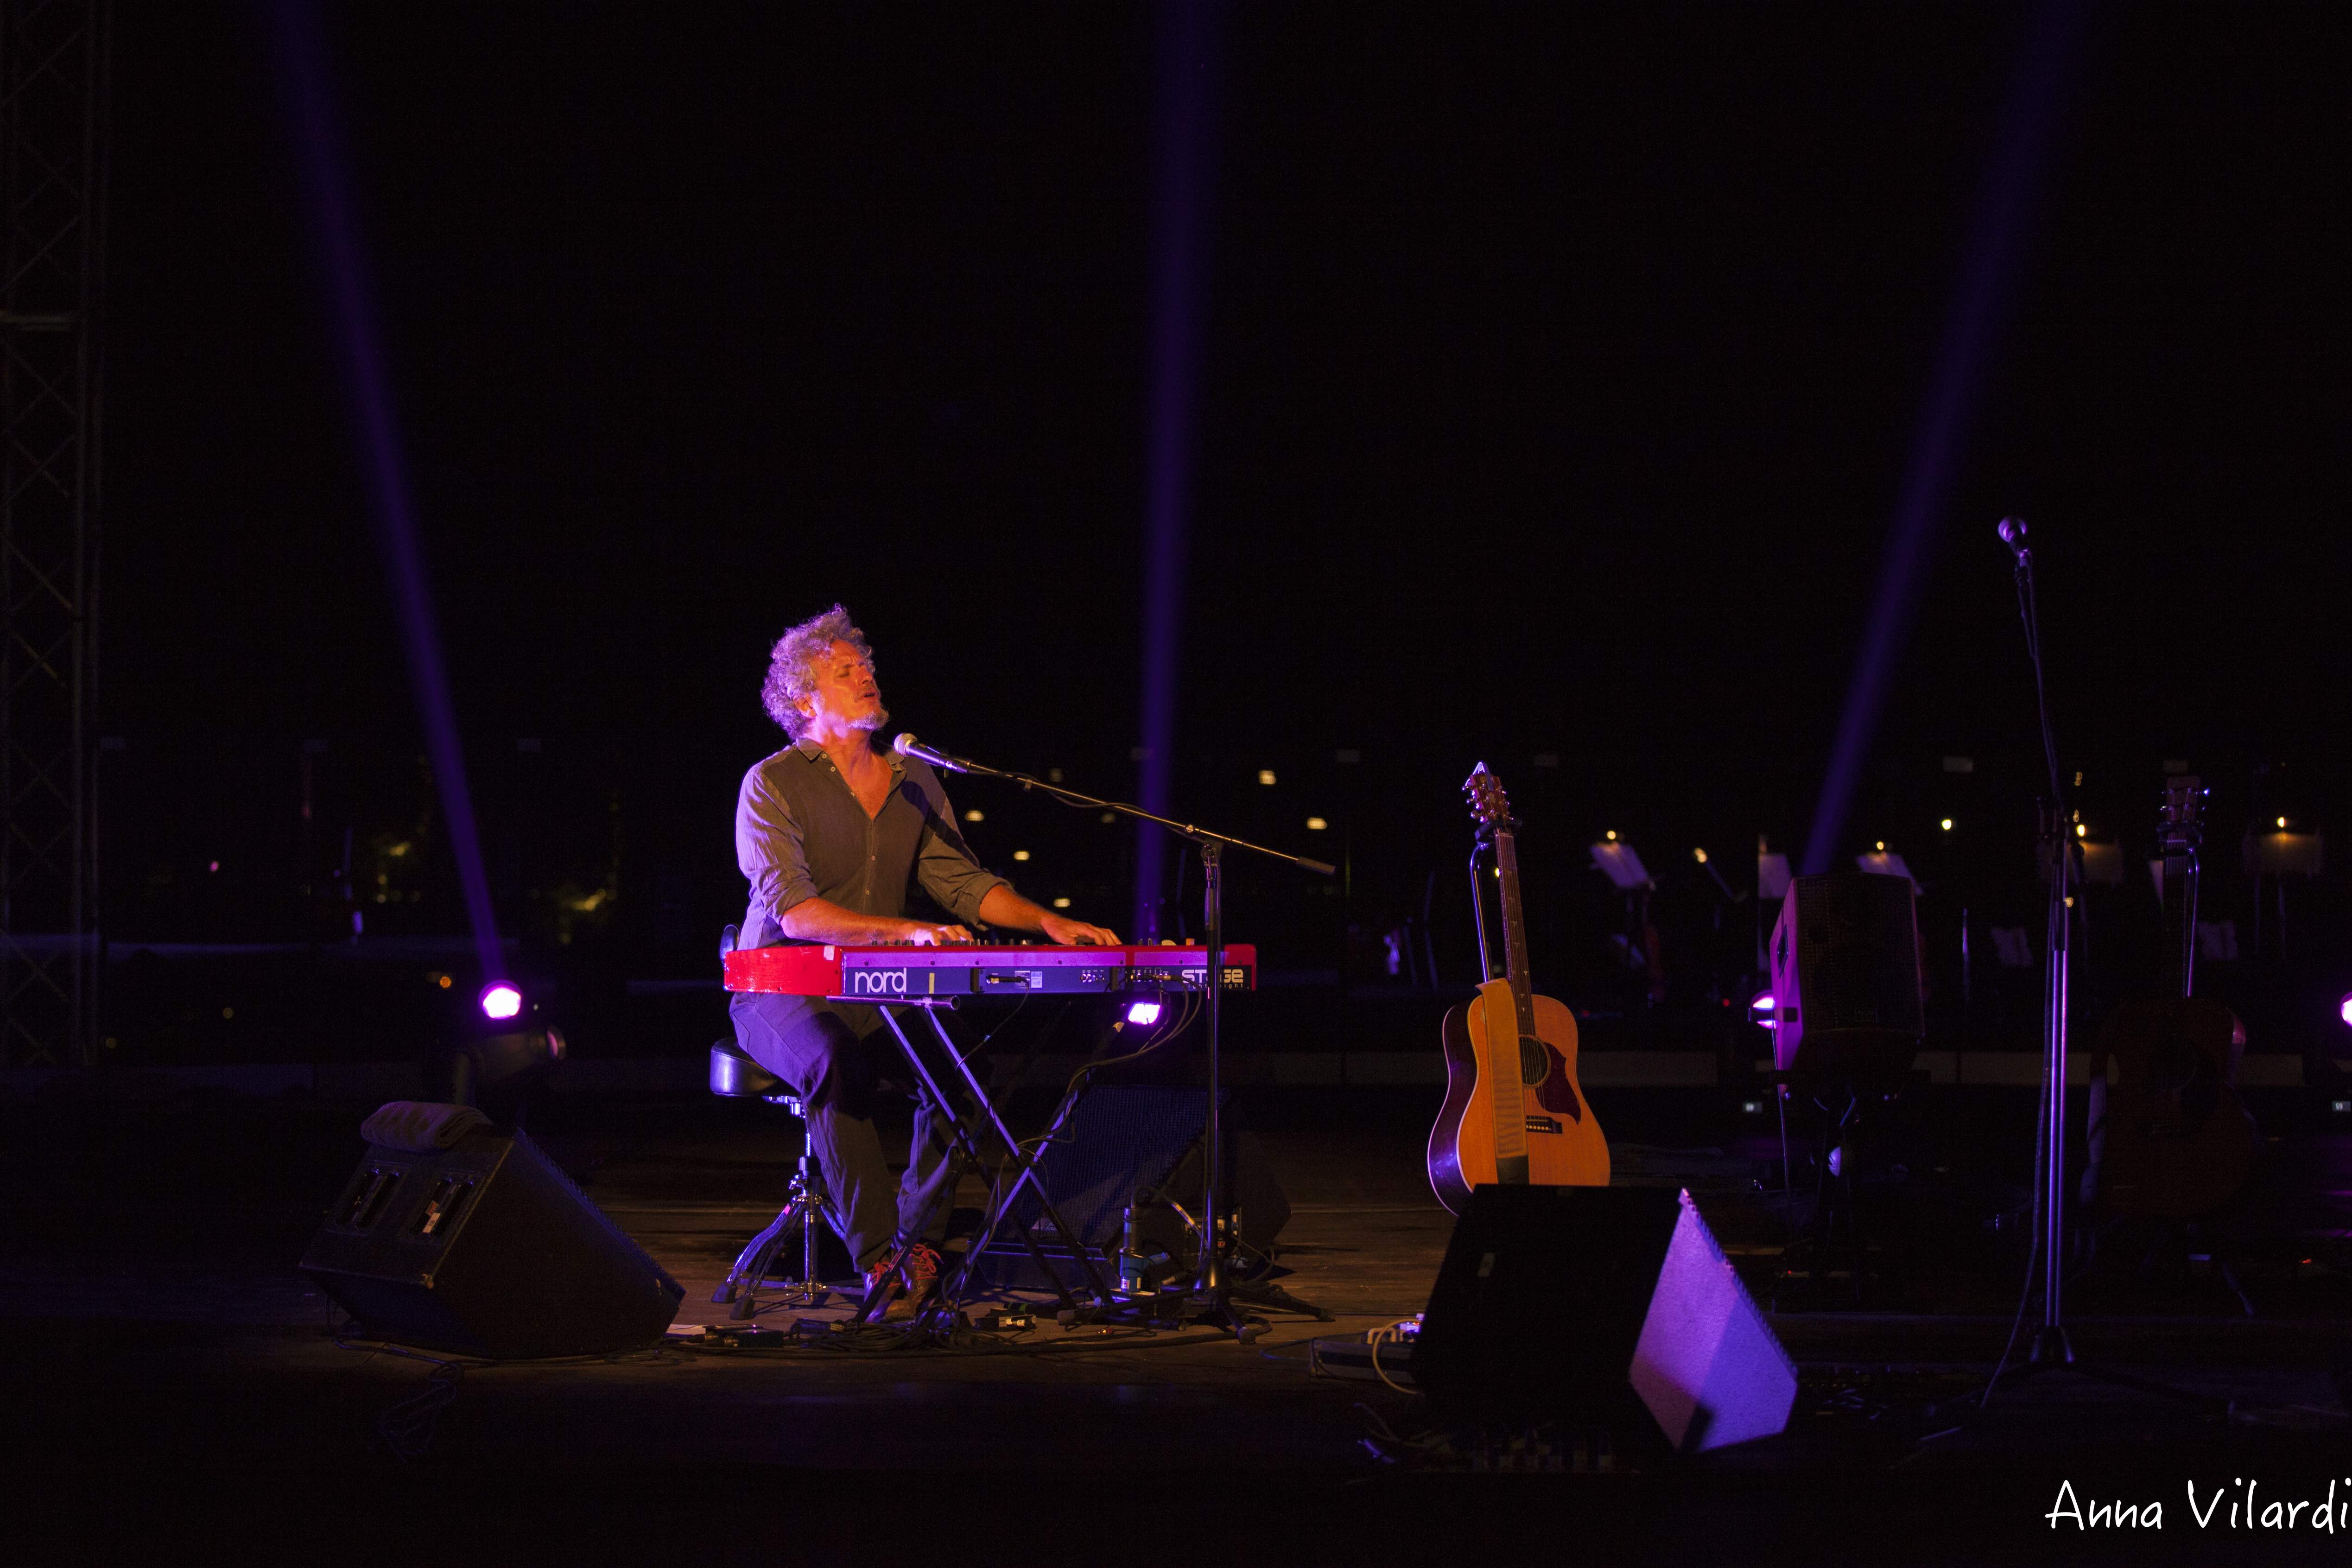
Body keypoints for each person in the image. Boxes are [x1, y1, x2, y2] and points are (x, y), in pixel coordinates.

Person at [728, 604, 1118, 1317]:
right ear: (805, 700)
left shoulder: (915, 779)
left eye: (868, 668)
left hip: (876, 987)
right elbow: (797, 914)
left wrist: (1047, 922)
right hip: (778, 985)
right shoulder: (773, 783)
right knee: (834, 1059)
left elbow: (962, 884)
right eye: (846, 672)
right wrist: (907, 933)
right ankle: (881, 1260)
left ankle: (919, 1246)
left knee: (965, 1071)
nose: (867, 678)